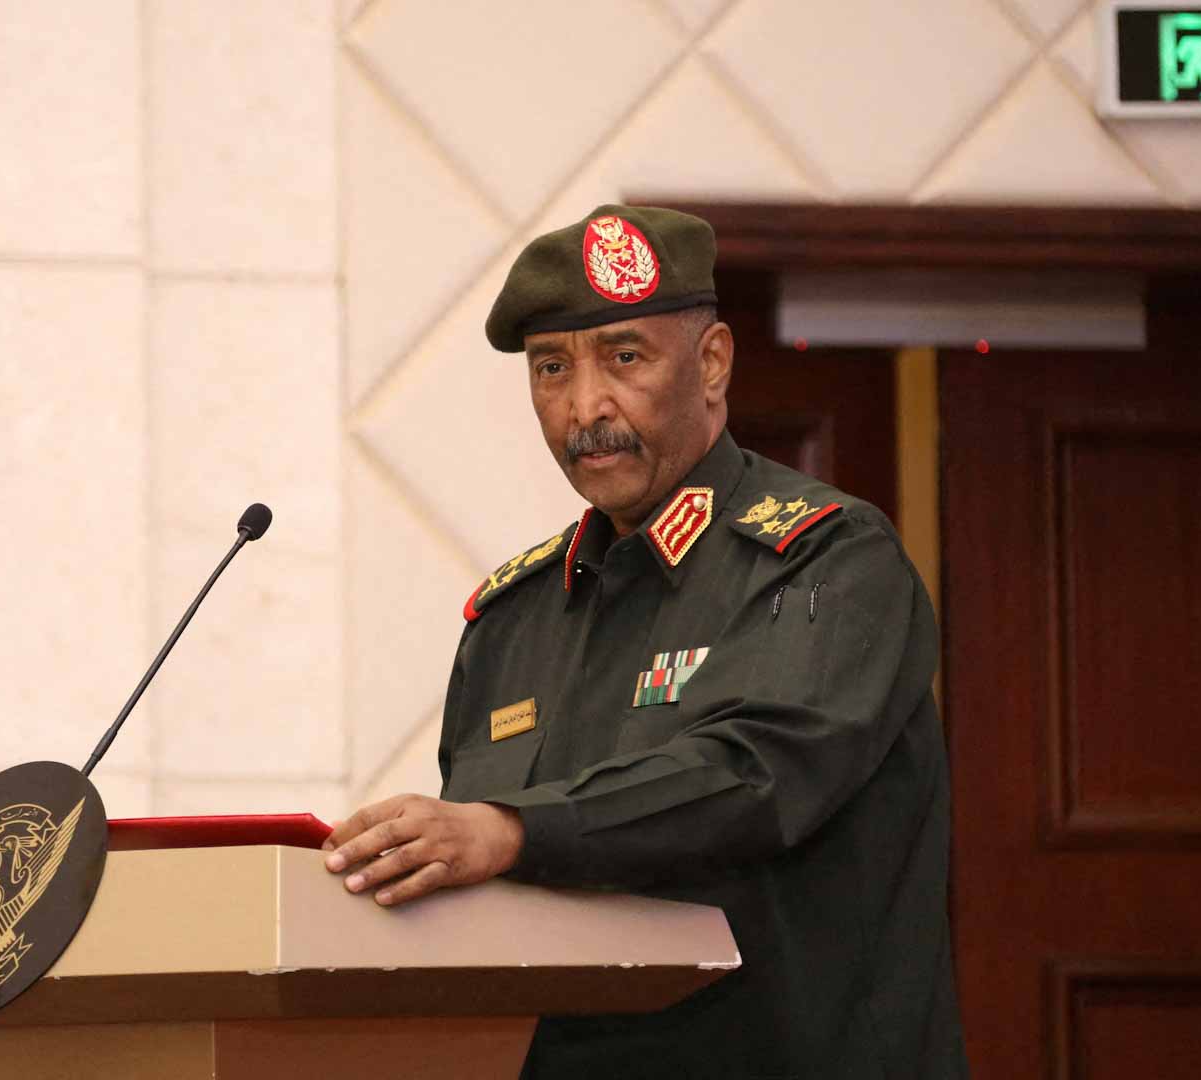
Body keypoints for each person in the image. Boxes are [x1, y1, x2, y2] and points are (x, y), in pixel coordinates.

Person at [323, 205, 968, 1077]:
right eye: (552, 368)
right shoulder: (513, 617)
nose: (586, 407)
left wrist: (512, 829)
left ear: (712, 364)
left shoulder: (829, 559)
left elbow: (755, 777)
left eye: (625, 358)